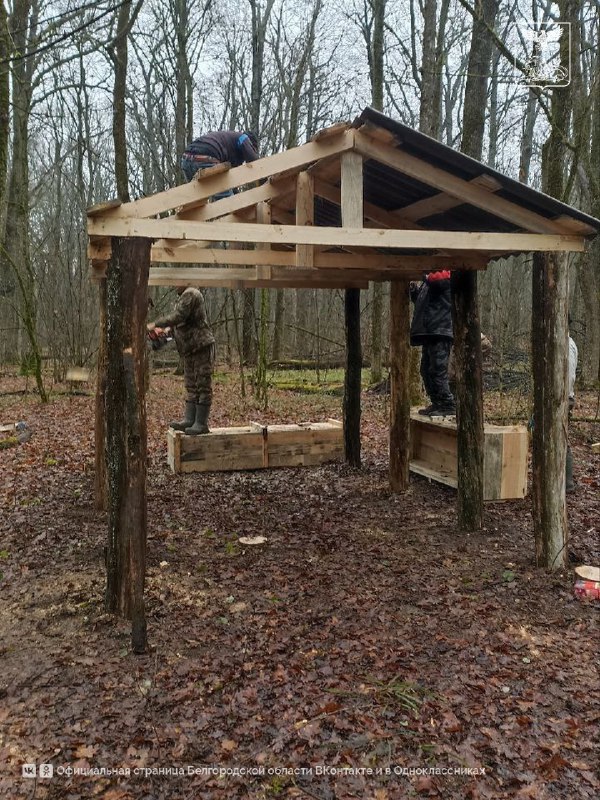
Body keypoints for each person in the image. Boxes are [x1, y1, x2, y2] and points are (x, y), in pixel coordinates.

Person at [148, 287, 215, 435]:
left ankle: (201, 423)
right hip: (189, 349)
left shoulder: (191, 293)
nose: (174, 285)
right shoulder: (181, 299)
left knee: (202, 384)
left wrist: (156, 324)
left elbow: (178, 316)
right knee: (191, 385)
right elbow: (178, 326)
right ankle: (190, 420)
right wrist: (163, 334)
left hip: (201, 345)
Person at [410, 270, 455, 416]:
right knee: (425, 370)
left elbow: (438, 280)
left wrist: (422, 272)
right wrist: (414, 291)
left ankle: (447, 404)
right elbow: (422, 302)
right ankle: (437, 403)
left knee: (437, 370)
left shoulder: (443, 275)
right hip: (430, 331)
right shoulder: (429, 282)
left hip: (440, 330)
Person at [180, 130, 259, 195]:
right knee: (227, 199)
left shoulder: (228, 144)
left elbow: (231, 181)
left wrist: (236, 196)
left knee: (196, 200)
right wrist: (263, 182)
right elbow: (255, 162)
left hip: (186, 160)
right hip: (205, 158)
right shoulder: (243, 138)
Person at [566, 328, 578, 493]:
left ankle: (568, 483)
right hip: (561, 399)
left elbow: (569, 377)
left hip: (563, 399)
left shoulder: (567, 345)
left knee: (562, 440)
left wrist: (561, 401)